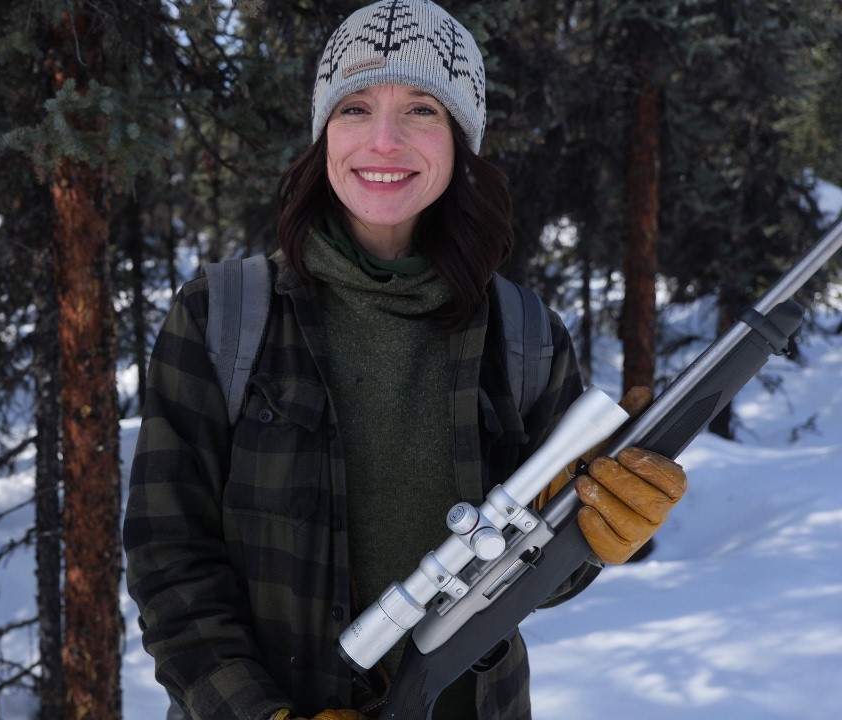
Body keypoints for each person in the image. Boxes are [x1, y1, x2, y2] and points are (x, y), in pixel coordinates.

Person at [124, 1, 687, 719]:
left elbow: (532, 579)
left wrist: (598, 531)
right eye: (355, 107)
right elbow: (168, 559)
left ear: (460, 139)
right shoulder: (222, 317)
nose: (383, 141)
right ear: (324, 132)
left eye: (422, 108)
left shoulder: (522, 335)